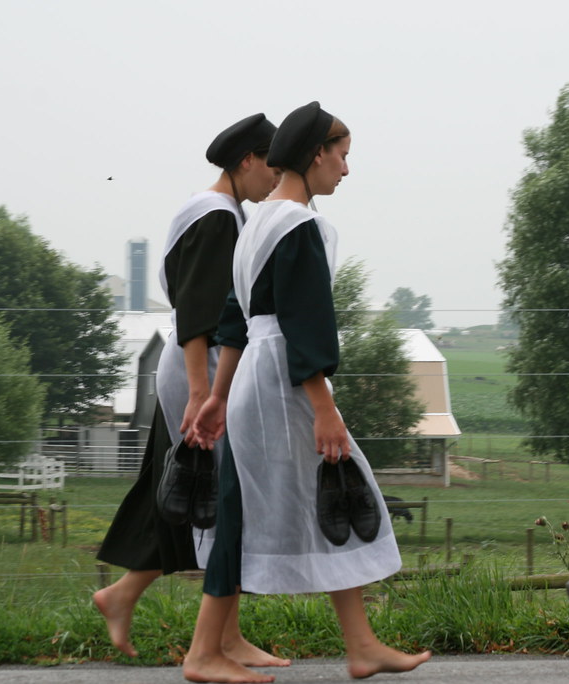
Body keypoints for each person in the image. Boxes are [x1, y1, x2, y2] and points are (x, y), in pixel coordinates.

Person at [185, 101, 431, 682]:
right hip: (284, 383)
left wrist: (219, 397)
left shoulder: (257, 223)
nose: (346, 170)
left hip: (253, 381)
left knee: (329, 500)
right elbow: (305, 321)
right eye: (342, 156)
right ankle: (203, 654)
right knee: (337, 487)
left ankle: (362, 646)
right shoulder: (299, 225)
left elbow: (232, 319)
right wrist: (325, 410)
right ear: (315, 154)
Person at [94, 114, 282, 662]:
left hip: (192, 364)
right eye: (271, 164)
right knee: (221, 493)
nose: (276, 177)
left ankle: (126, 596)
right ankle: (220, 638)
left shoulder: (210, 211)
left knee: (183, 487)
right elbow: (199, 310)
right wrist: (202, 394)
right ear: (247, 159)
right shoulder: (218, 218)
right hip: (199, 368)